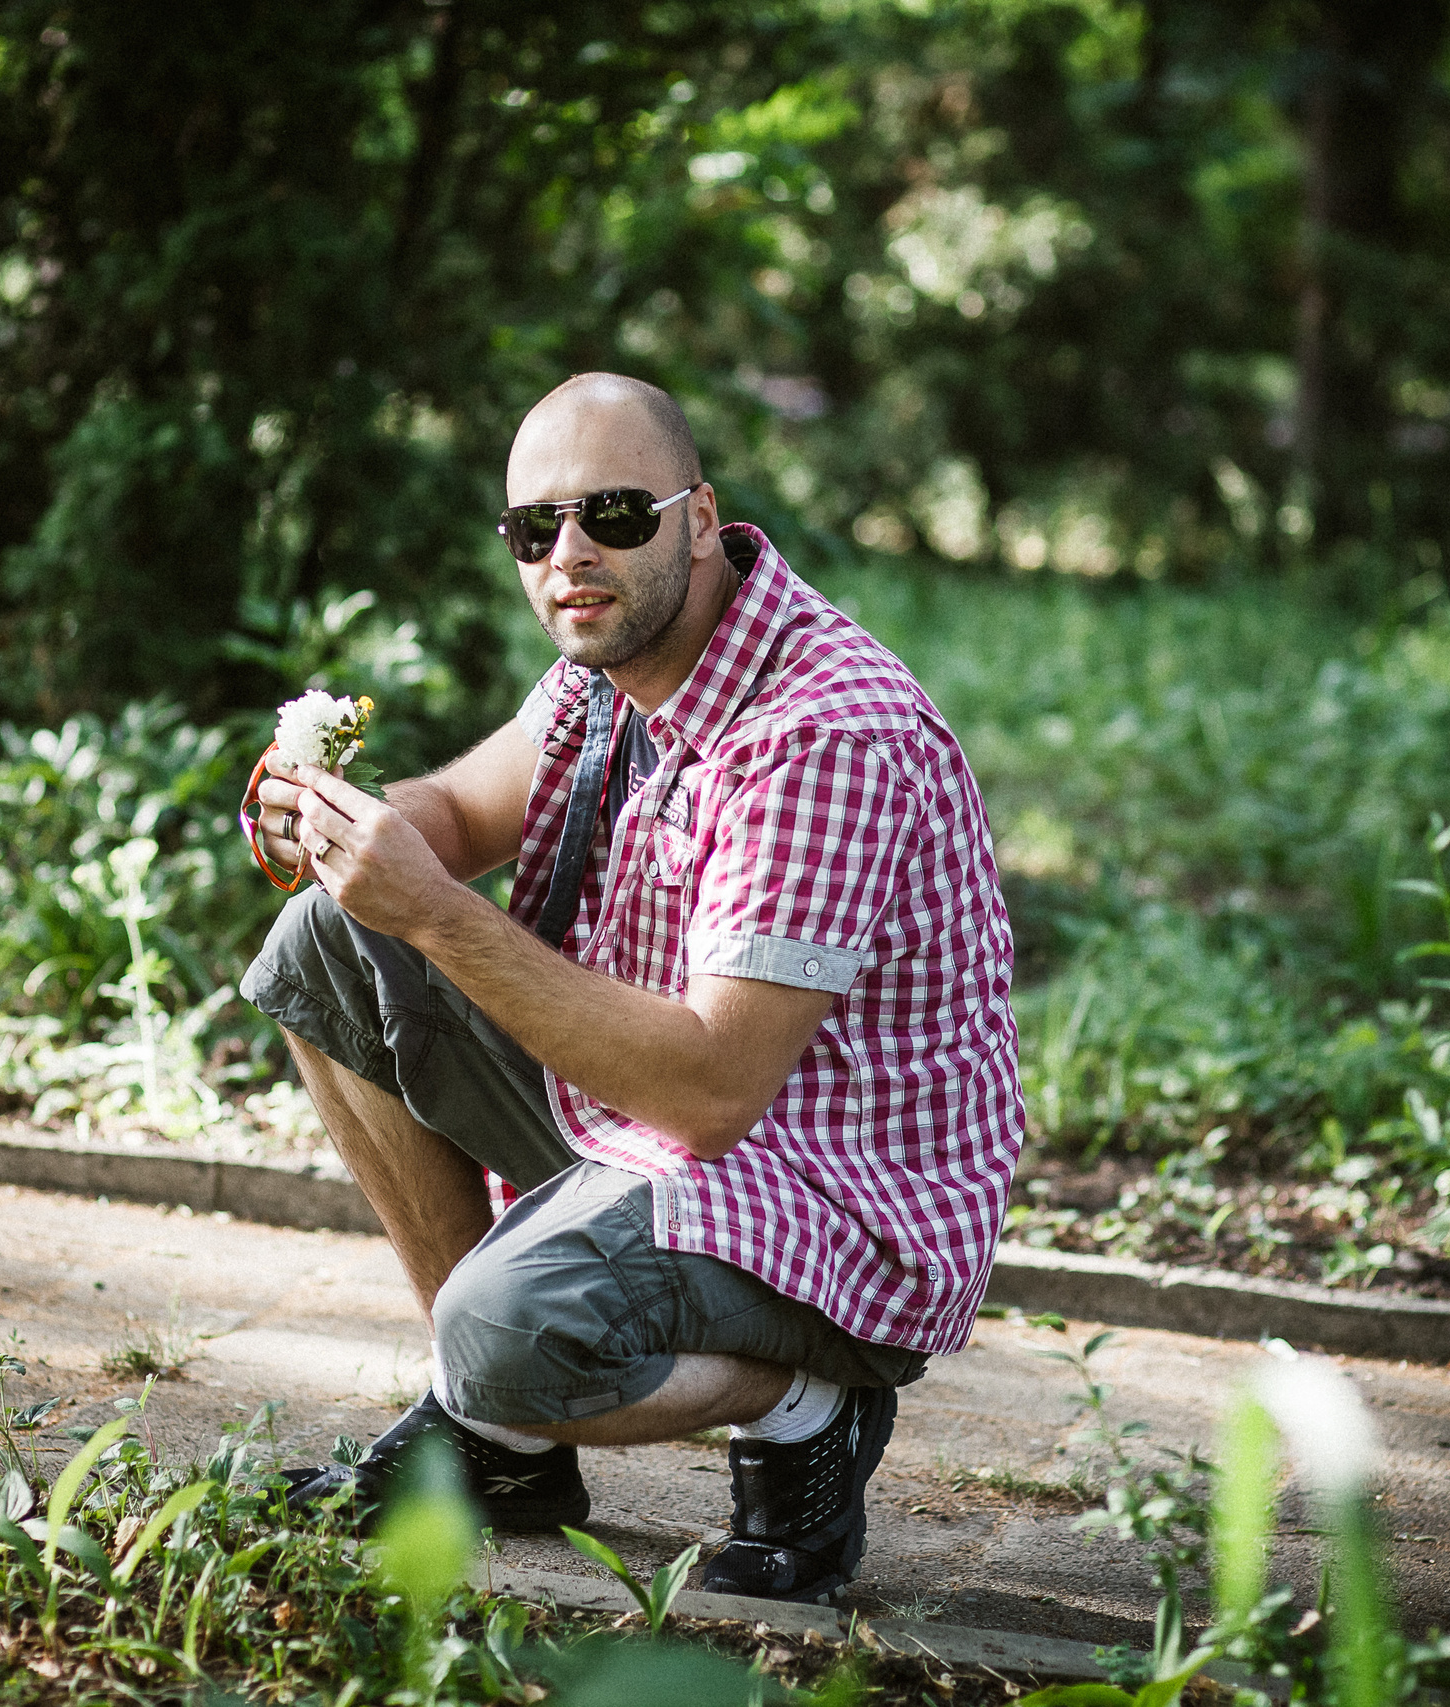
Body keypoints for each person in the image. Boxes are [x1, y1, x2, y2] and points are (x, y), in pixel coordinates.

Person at [241, 371, 1021, 1605]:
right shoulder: (614, 671)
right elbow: (458, 813)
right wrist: (348, 828)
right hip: (645, 1118)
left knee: (500, 1328)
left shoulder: (822, 732)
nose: (569, 554)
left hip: (829, 1195)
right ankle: (502, 1444)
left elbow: (712, 1089)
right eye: (533, 528)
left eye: (611, 513)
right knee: (321, 941)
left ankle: (811, 1401)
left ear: (697, 519)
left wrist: (431, 908)